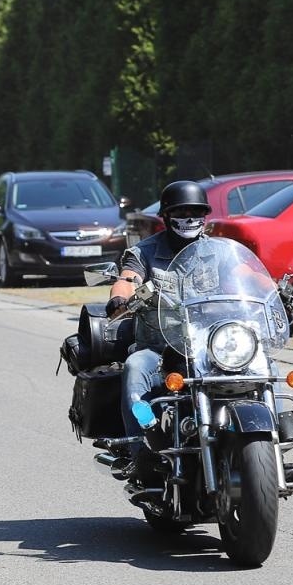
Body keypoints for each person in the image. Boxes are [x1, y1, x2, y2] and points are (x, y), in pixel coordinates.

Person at [105, 180, 216, 442]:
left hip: (212, 350)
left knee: (263, 364)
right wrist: (120, 298)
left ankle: (273, 439)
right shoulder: (144, 252)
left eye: (196, 212)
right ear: (166, 216)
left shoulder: (216, 252)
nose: (189, 219)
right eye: (180, 212)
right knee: (134, 366)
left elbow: (247, 277)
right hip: (159, 351)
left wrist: (277, 293)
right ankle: (141, 444)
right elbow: (128, 279)